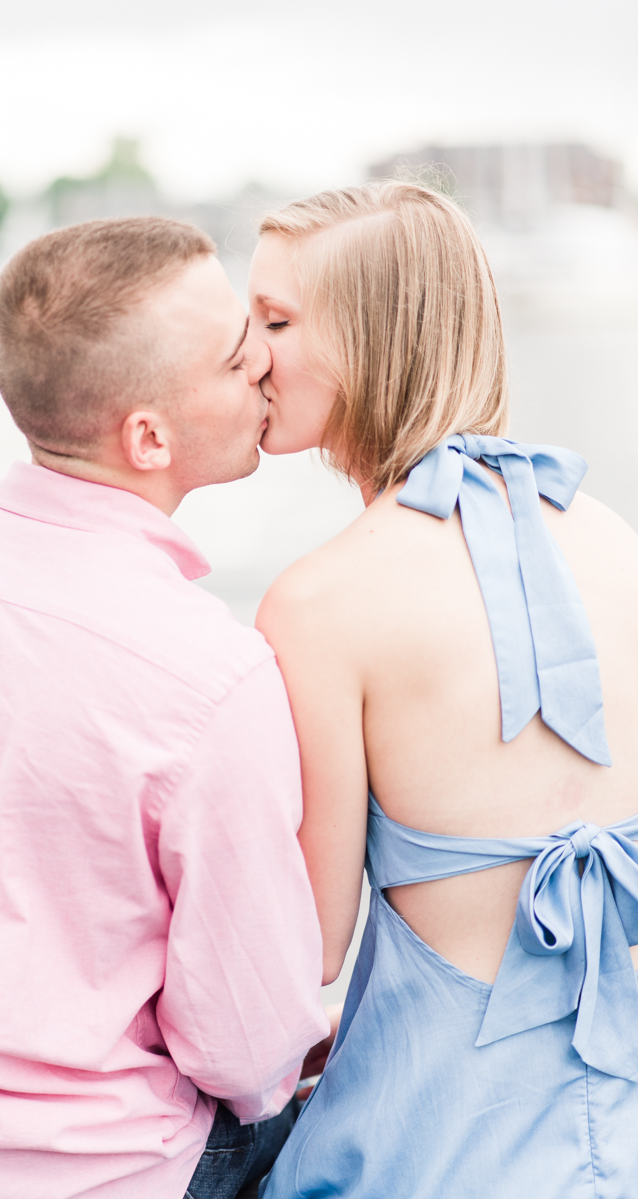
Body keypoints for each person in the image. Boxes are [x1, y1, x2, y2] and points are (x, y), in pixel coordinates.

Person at [0, 216, 330, 1199]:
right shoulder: (213, 676)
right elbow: (243, 1050)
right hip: (93, 1169)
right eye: (239, 357)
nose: (265, 372)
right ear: (146, 436)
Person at [246, 181, 638, 1198]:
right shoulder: (612, 538)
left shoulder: (319, 601)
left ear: (373, 338)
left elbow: (308, 944)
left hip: (438, 1132)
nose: (245, 351)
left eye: (276, 320)